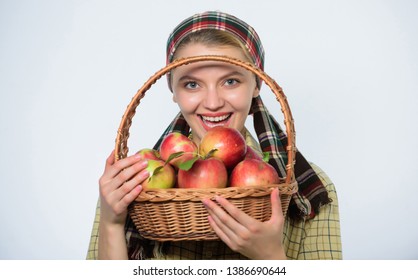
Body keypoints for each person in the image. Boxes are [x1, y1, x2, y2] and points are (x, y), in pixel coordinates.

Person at [87, 11, 342, 260]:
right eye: (192, 84)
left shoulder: (305, 186)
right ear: (173, 91)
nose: (212, 103)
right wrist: (111, 223)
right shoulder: (132, 181)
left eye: (230, 81)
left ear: (257, 85)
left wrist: (270, 257)